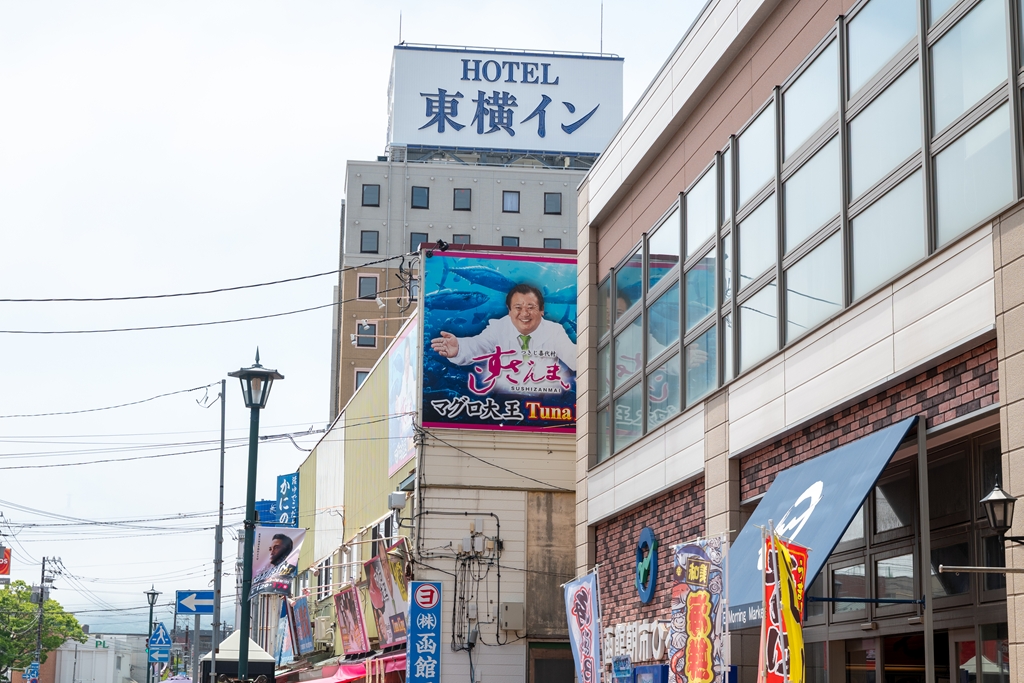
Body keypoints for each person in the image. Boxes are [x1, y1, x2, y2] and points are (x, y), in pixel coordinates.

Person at [431, 283, 576, 372]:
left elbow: (572, 357)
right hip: (506, 395)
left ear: (542, 310)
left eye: (531, 307)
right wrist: (458, 349)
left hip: (544, 401)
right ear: (509, 310)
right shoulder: (499, 327)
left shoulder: (554, 331)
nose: (524, 313)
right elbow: (478, 345)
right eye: (518, 307)